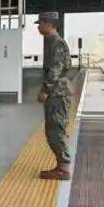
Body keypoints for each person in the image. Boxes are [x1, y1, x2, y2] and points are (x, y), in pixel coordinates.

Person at [37, 12, 72, 180]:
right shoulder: (53, 42)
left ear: (50, 24)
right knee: (53, 130)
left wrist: (45, 89)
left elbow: (55, 70)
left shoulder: (57, 44)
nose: (38, 27)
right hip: (57, 93)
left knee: (56, 130)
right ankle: (61, 165)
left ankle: (63, 168)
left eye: (41, 23)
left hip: (57, 94)